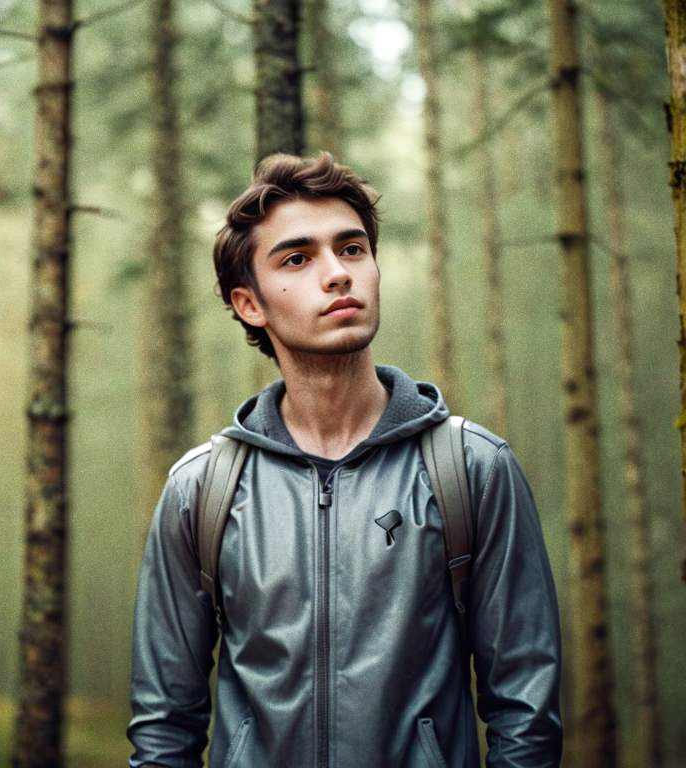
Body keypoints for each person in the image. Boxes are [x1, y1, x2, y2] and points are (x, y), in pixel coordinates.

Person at [127, 153, 562, 767]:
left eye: (352, 249)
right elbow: (164, 725)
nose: (337, 274)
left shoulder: (471, 467)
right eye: (298, 259)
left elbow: (526, 709)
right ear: (250, 304)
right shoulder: (204, 490)